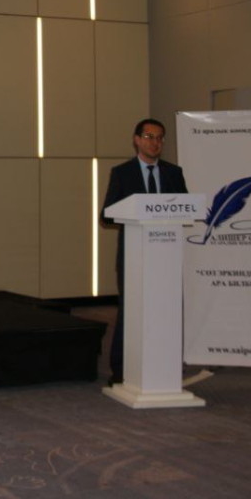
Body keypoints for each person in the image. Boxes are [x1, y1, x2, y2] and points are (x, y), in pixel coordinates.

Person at [100, 117, 187, 385]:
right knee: (130, 312)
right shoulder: (122, 173)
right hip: (134, 257)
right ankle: (121, 370)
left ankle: (164, 368)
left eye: (160, 138)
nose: (155, 143)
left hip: (165, 256)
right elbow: (106, 214)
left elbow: (186, 207)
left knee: (165, 311)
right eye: (149, 137)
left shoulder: (173, 173)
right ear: (137, 140)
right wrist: (136, 211)